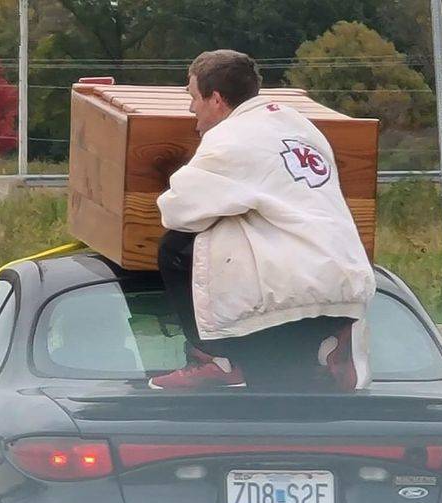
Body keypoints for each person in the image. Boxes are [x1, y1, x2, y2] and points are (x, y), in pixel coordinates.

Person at [150, 49, 376, 392]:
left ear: (216, 99)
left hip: (288, 289)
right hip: (342, 283)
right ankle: (331, 345)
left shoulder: (232, 138)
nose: (190, 108)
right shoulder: (300, 126)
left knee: (177, 245)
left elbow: (178, 209)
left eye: (193, 97)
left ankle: (215, 358)